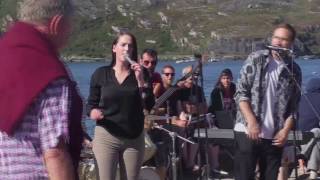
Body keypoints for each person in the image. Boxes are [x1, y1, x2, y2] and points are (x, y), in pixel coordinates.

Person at [0, 0, 83, 179]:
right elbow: (55, 152)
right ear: (57, 24)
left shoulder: (3, 54)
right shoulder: (48, 74)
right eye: (70, 25)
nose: (70, 32)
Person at [234, 23, 302, 180]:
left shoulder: (294, 70)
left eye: (283, 39)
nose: (278, 42)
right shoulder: (256, 59)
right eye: (276, 37)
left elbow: (294, 107)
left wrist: (285, 131)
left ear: (290, 44)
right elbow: (241, 93)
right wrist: (251, 121)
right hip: (247, 130)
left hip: (275, 136)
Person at [87, 31, 149, 180]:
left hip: (133, 137)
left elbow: (148, 104)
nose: (127, 49)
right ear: (114, 48)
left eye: (130, 46)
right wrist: (92, 112)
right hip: (106, 135)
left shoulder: (142, 73)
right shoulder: (101, 74)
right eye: (123, 45)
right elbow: (90, 104)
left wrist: (141, 82)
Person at [207, 68, 236, 177]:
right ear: (220, 79)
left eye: (228, 78)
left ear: (232, 78)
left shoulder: (235, 88)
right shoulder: (216, 92)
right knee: (213, 138)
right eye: (223, 78)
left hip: (234, 118)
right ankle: (215, 166)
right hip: (219, 120)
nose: (226, 80)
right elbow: (214, 110)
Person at [297, 77, 320, 179]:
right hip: (308, 137)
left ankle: (312, 171)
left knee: (315, 141)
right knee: (317, 132)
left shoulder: (299, 99)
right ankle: (304, 158)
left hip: (295, 137)